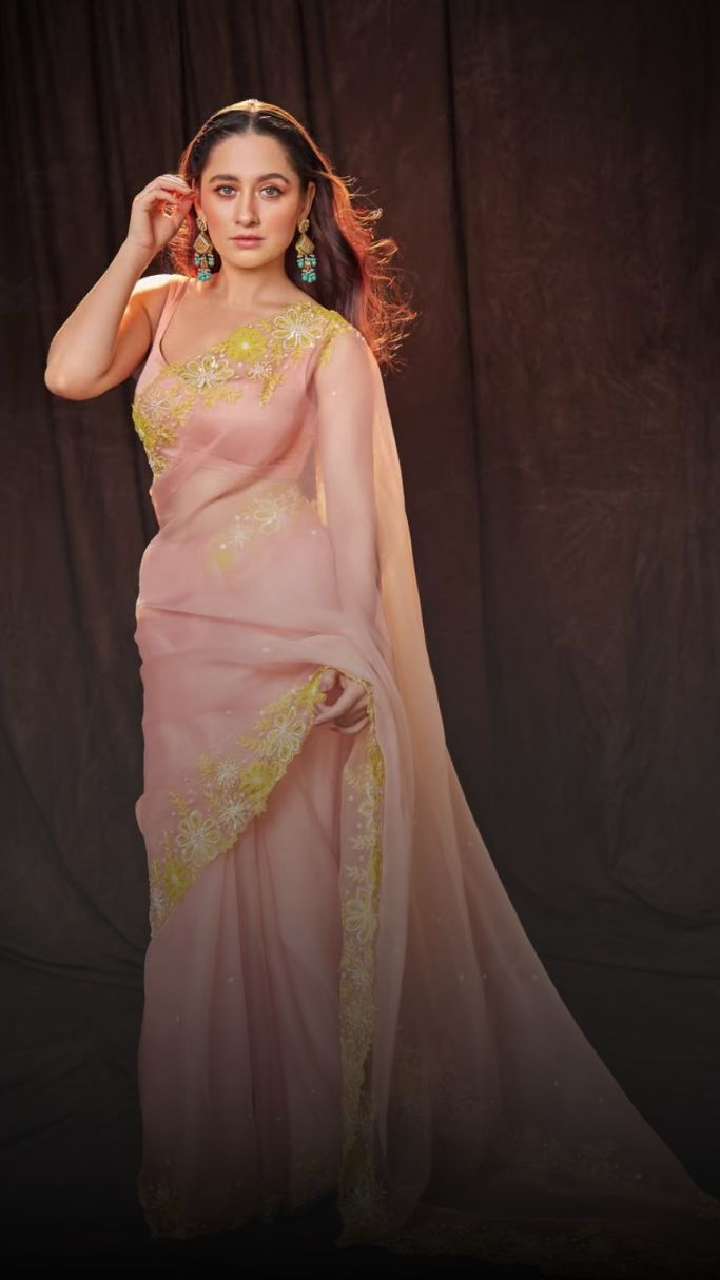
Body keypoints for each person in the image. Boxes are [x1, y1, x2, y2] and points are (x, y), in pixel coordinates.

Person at [44, 99, 720, 1275]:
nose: (246, 212)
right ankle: (229, 1149)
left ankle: (319, 1139)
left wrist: (351, 650)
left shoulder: (327, 346)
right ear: (193, 201)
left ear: (306, 205)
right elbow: (67, 372)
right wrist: (132, 246)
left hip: (290, 637)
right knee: (196, 884)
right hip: (183, 631)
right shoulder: (160, 303)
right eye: (223, 189)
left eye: (270, 189)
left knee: (297, 888)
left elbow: (353, 521)